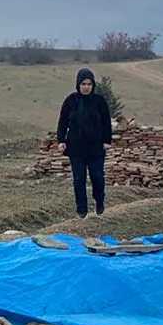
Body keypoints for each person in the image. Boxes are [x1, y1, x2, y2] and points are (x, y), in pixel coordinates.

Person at [54, 66, 113, 219]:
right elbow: (62, 122)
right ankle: (82, 209)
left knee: (97, 177)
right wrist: (61, 140)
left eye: (89, 84)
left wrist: (107, 140)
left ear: (93, 85)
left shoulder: (99, 101)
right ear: (78, 85)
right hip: (76, 148)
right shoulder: (70, 101)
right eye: (83, 84)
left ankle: (99, 200)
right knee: (79, 179)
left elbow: (106, 122)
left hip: (95, 148)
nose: (86, 87)